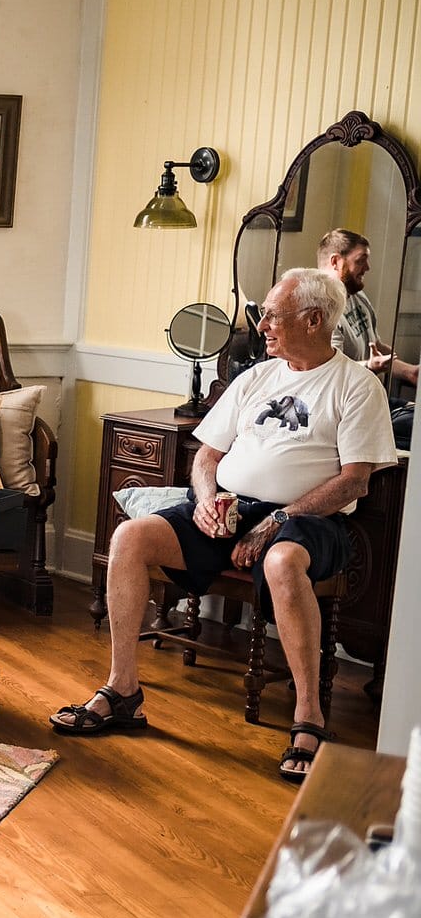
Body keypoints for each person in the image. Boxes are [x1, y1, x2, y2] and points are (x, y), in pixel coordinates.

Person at [49, 269, 397, 781]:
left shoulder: (356, 386)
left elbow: (354, 481)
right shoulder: (256, 378)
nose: (262, 325)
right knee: (130, 536)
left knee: (282, 560)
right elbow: (207, 454)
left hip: (307, 519)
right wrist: (208, 499)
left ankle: (309, 719)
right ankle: (123, 690)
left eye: (273, 315)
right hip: (230, 508)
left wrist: (278, 519)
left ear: (314, 320)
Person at [318, 227, 419, 387]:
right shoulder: (321, 310)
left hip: (371, 394)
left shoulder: (358, 295)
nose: (367, 267)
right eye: (360, 260)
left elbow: (375, 346)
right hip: (346, 400)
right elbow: (329, 369)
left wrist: (411, 372)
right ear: (335, 262)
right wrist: (369, 366)